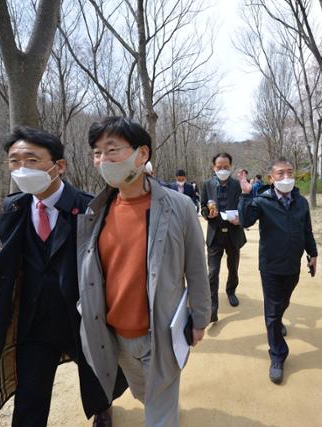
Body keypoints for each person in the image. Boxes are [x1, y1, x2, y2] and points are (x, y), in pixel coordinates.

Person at [0, 127, 123, 427]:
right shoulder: (13, 208)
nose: (22, 169)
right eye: (14, 161)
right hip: (33, 321)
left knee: (96, 375)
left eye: (32, 160)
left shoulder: (90, 208)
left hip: (82, 317)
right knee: (29, 398)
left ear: (59, 166)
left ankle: (103, 408)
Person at [77, 116, 211, 427]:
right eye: (97, 153)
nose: (103, 160)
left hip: (160, 333)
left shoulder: (178, 207)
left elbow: (196, 267)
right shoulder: (94, 213)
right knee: (143, 393)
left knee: (159, 410)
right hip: (115, 337)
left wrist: (201, 318)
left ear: (142, 154)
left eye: (112, 150)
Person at [238, 158, 317, 384]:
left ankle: (278, 320)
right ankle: (277, 355)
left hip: (292, 265)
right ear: (272, 178)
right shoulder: (262, 201)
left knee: (283, 302)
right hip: (271, 266)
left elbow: (307, 231)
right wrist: (245, 195)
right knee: (272, 311)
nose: (286, 178)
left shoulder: (301, 202)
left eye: (289, 173)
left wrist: (313, 254)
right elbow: (245, 221)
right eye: (280, 174)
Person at [201, 152, 247, 321]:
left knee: (233, 267)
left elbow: (245, 206)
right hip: (215, 234)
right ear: (214, 168)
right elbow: (203, 208)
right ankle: (213, 308)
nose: (222, 170)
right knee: (212, 272)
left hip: (234, 234)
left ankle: (231, 291)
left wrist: (240, 218)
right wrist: (208, 215)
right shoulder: (206, 184)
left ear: (231, 167)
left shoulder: (238, 185)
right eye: (219, 167)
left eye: (226, 167)